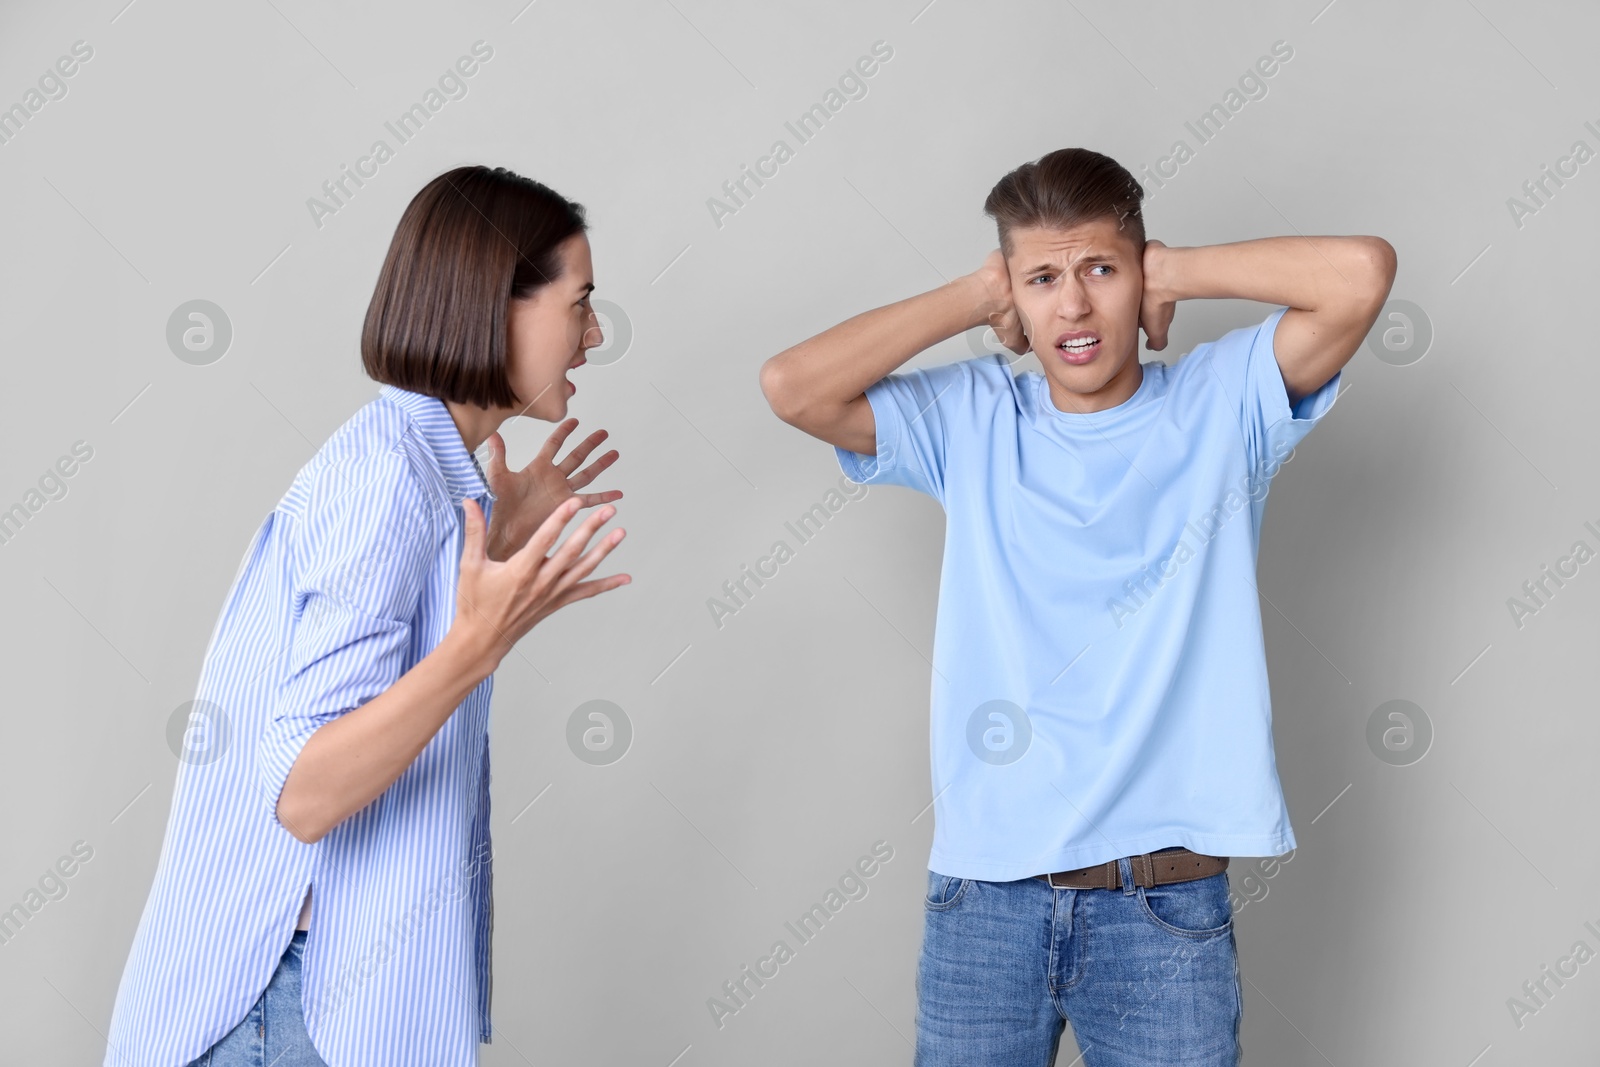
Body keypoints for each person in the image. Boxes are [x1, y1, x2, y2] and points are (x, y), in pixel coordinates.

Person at [759, 147, 1395, 1065]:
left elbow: (1362, 275)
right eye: (1043, 278)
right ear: (1013, 299)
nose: (1074, 305)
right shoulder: (973, 419)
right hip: (986, 902)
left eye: (1100, 269)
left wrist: (1170, 267)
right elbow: (793, 385)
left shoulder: (1222, 406)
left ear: (1137, 278)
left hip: (1163, 909)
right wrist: (979, 294)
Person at [104, 165, 631, 1067]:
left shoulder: (418, 473)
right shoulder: (385, 481)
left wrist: (489, 542)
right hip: (289, 1010)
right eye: (580, 303)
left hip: (314, 1005)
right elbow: (306, 795)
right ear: (493, 307)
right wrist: (478, 643)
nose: (592, 335)